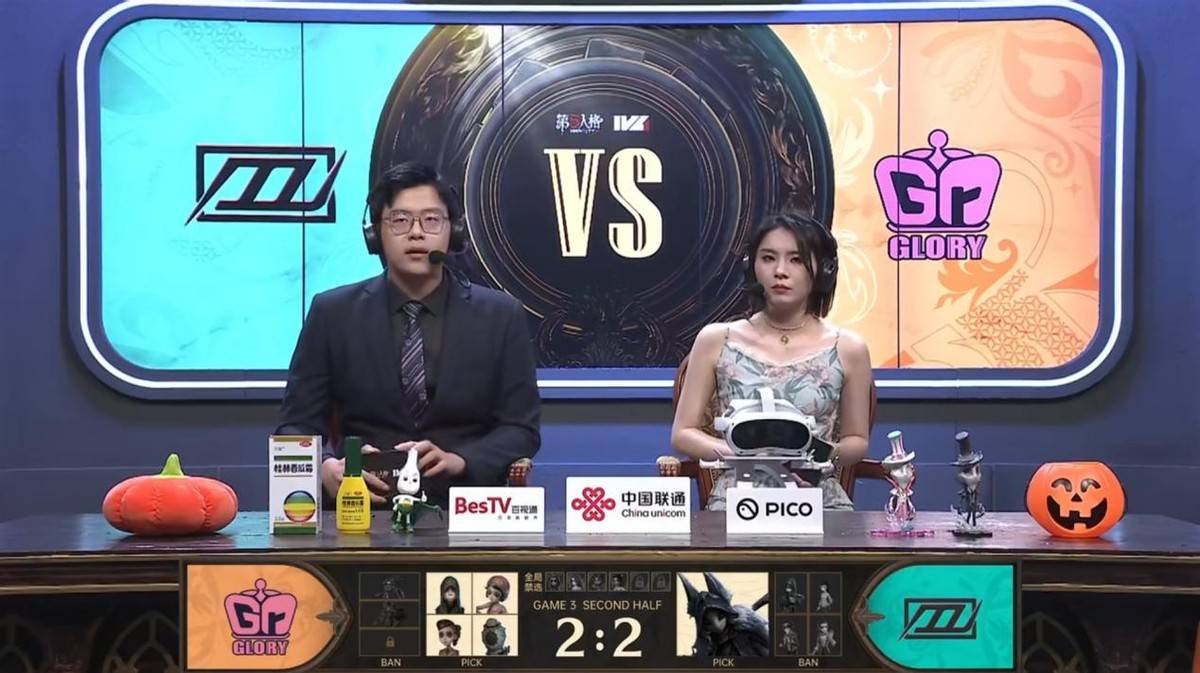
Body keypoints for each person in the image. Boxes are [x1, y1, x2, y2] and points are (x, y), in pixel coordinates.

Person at [276, 162, 541, 507]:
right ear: (375, 234)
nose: (416, 233)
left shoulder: (501, 315)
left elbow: (521, 430)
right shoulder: (332, 313)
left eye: (431, 220)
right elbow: (295, 427)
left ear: (453, 232)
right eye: (400, 220)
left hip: (463, 507)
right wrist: (324, 469)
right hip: (361, 508)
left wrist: (461, 460)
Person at [670, 212, 872, 510]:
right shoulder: (715, 339)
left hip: (816, 497)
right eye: (768, 258)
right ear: (751, 267)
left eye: (796, 259)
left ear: (824, 269)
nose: (780, 271)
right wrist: (740, 456)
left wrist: (813, 457)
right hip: (738, 498)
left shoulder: (849, 348)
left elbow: (856, 440)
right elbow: (683, 434)